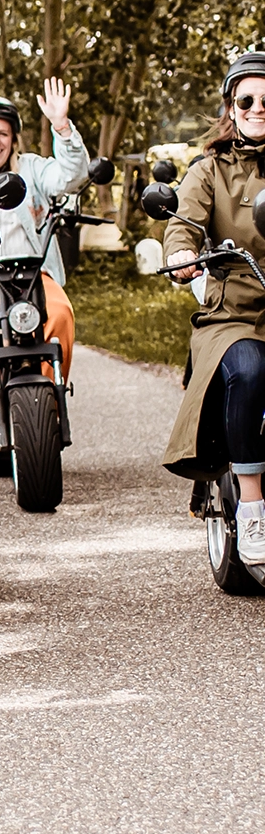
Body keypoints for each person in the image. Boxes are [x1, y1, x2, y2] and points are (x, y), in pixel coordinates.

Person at [162, 52, 265, 565]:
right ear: (231, 106)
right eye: (246, 99)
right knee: (248, 370)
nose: (257, 108)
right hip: (234, 314)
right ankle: (251, 507)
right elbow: (184, 222)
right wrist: (181, 252)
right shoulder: (210, 170)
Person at [0, 79, 90, 416]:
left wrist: (62, 126)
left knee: (60, 315)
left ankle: (48, 401)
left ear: (13, 139)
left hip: (30, 274)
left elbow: (71, 177)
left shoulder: (31, 168)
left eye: (3, 133)